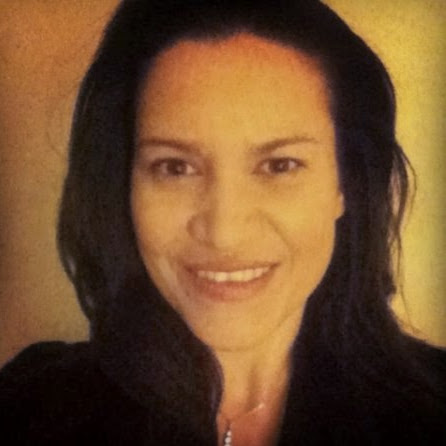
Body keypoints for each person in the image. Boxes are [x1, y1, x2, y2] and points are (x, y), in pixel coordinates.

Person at [1, 0, 445, 444]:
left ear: (345, 184)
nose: (224, 233)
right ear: (123, 184)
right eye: (175, 167)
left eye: (279, 165)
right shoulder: (28, 412)